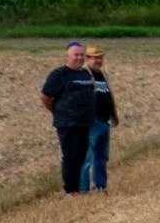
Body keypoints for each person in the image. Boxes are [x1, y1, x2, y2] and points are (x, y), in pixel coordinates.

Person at [40, 42, 97, 196]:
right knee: (70, 157)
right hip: (67, 124)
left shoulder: (85, 74)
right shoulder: (59, 74)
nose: (79, 58)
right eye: (76, 55)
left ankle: (78, 188)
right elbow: (45, 96)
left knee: (81, 156)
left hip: (84, 123)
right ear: (68, 56)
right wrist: (57, 112)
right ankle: (70, 191)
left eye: (81, 55)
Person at [79, 44, 119, 193]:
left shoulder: (102, 74)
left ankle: (100, 186)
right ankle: (85, 188)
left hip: (104, 120)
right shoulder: (84, 75)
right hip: (91, 121)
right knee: (89, 156)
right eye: (94, 58)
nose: (98, 61)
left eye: (100, 57)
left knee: (102, 156)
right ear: (87, 59)